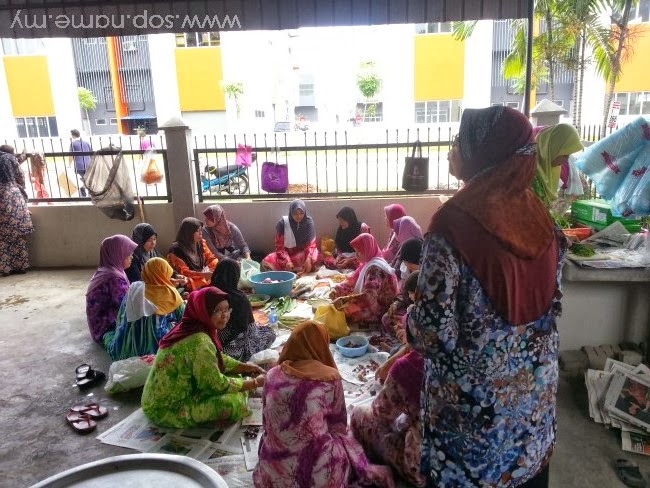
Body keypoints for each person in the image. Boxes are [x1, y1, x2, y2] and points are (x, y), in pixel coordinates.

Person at [408, 106, 566, 487]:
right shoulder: (540, 217)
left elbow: (432, 334)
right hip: (531, 422)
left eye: (459, 141)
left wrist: (407, 314)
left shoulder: (452, 225)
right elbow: (552, 301)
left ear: (484, 152)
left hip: (473, 433)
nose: (451, 149)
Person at [253, 320, 395, 488]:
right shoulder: (329, 378)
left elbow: (267, 423)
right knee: (347, 442)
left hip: (273, 473)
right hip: (318, 475)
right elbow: (338, 426)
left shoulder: (272, 375)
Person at [141, 286, 266, 428]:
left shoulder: (189, 326)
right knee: (231, 402)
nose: (224, 315)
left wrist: (246, 367)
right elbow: (215, 384)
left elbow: (218, 358)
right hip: (166, 408)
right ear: (203, 311)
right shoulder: (200, 341)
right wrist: (255, 383)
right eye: (217, 310)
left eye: (227, 309)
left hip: (156, 399)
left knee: (235, 375)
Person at [351, 348, 425, 487]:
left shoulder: (411, 366)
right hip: (464, 470)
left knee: (358, 414)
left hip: (422, 467)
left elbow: (380, 412)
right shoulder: (467, 364)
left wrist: (398, 365)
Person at [103, 257, 185, 360]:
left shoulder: (134, 288)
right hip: (158, 346)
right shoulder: (172, 293)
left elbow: (122, 315)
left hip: (130, 343)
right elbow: (184, 317)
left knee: (108, 334)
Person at [210, 259, 275, 361]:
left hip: (210, 340)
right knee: (269, 333)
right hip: (228, 345)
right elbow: (249, 329)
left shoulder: (205, 292)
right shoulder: (238, 297)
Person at [329, 233, 398, 330]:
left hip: (380, 307)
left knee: (345, 310)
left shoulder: (375, 269)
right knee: (342, 300)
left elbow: (369, 296)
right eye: (355, 251)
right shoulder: (367, 262)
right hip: (372, 298)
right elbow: (352, 280)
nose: (356, 255)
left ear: (368, 251)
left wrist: (344, 300)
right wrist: (337, 289)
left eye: (359, 252)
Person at [86, 235, 137, 343]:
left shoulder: (109, 270)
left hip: (99, 325)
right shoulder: (113, 277)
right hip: (105, 328)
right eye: (128, 254)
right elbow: (127, 306)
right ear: (118, 254)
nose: (132, 257)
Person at [532, 123, 584, 213]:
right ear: (552, 149)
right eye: (564, 155)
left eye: (568, 156)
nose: (566, 160)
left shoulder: (553, 170)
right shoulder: (530, 174)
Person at [261, 199, 320, 274]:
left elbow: (312, 245)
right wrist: (287, 261)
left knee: (316, 257)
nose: (299, 216)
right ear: (291, 212)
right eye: (295, 213)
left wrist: (309, 258)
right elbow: (280, 247)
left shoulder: (308, 222)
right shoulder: (283, 224)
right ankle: (295, 269)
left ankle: (296, 269)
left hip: (303, 253)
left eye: (301, 213)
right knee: (268, 261)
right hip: (287, 254)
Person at [0, 152, 34, 276]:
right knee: (18, 233)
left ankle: (5, 268)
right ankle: (21, 266)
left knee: (2, 237)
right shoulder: (10, 158)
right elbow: (20, 176)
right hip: (13, 196)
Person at [167, 217, 218, 292]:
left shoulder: (200, 243)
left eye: (201, 230)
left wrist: (210, 269)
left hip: (203, 274)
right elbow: (184, 272)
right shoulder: (176, 249)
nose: (200, 233)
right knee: (192, 282)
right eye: (197, 231)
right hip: (188, 278)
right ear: (189, 232)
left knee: (218, 268)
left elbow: (211, 258)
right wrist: (202, 275)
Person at [324, 206, 370, 270]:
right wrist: (338, 257)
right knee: (328, 260)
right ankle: (343, 265)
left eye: (342, 221)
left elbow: (366, 251)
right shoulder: (341, 228)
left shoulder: (362, 228)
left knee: (361, 264)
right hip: (344, 256)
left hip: (357, 257)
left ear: (349, 219)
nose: (340, 223)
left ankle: (348, 266)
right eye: (339, 221)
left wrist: (349, 260)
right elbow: (338, 246)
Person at [68, 129, 92, 197]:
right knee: (87, 179)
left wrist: (69, 164)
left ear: (73, 135)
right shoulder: (86, 143)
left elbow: (71, 155)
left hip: (79, 165)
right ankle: (88, 192)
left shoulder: (73, 144)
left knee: (84, 179)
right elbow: (91, 153)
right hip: (88, 164)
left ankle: (83, 190)